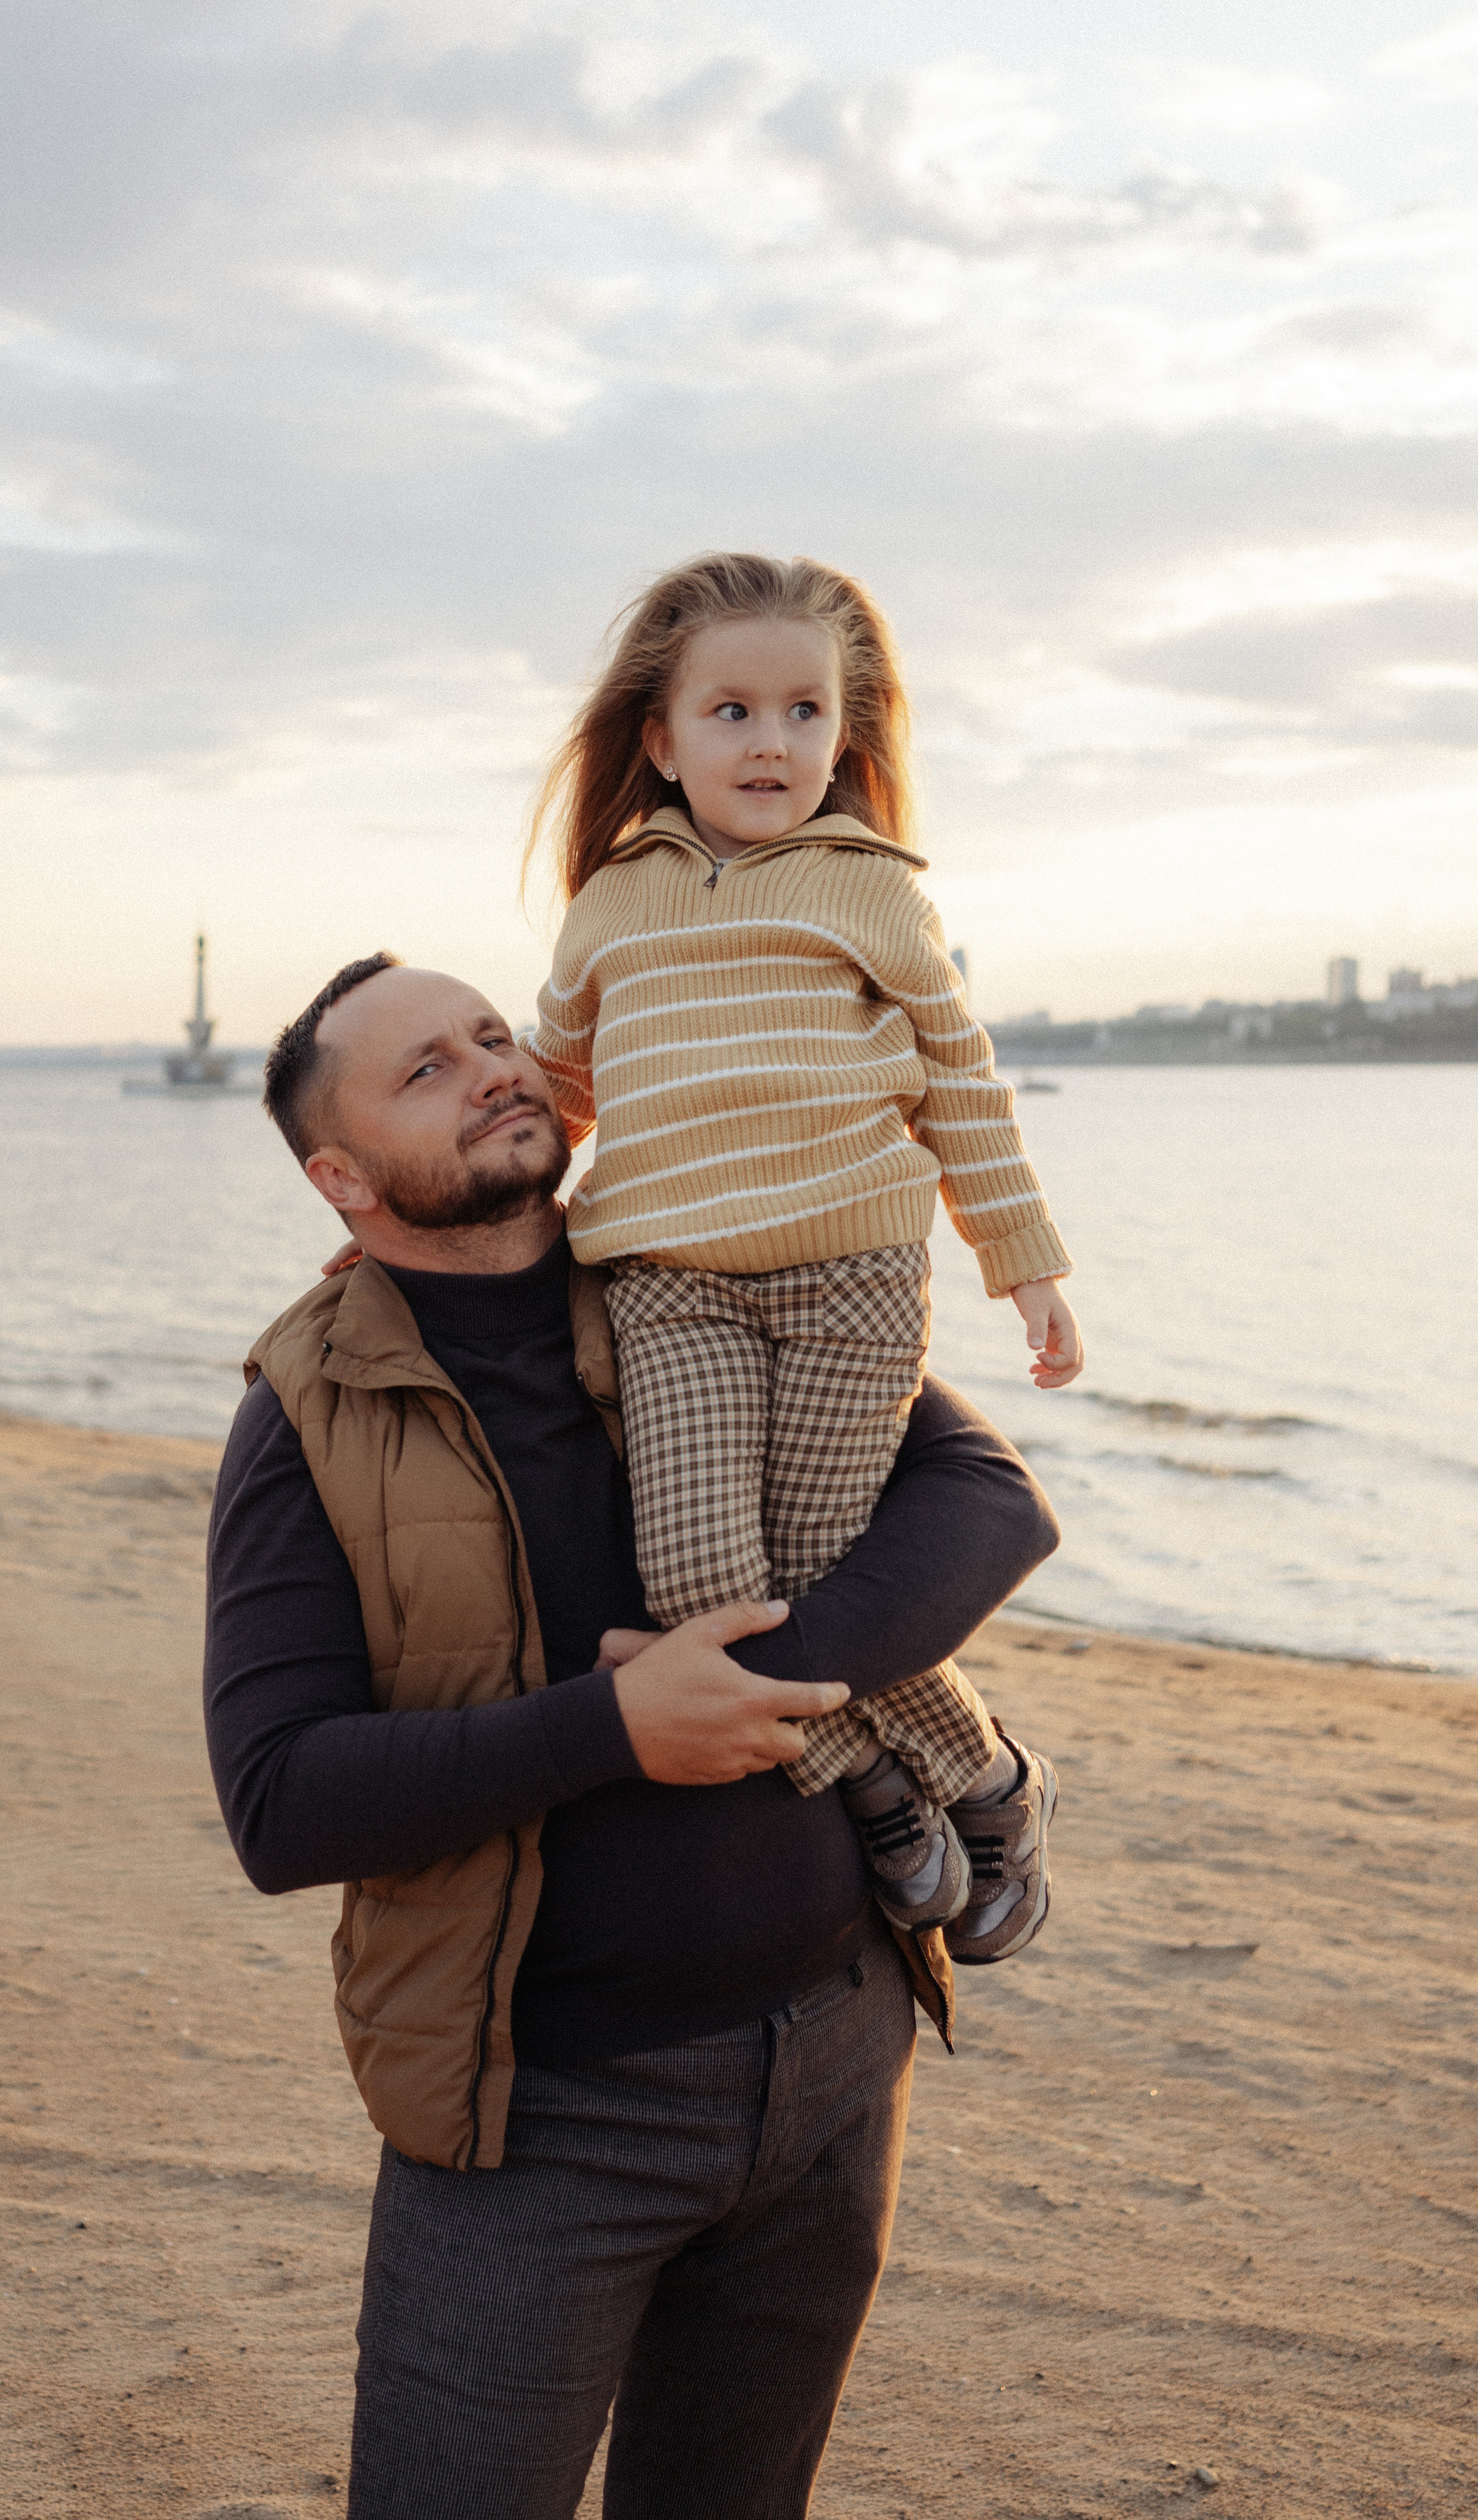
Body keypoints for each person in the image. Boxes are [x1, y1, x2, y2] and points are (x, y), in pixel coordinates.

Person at [203, 955, 1063, 2520]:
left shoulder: (692, 1263)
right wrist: (615, 1726)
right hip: (538, 2117)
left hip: (835, 2050)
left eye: (489, 1035)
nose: (487, 1069)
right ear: (340, 1180)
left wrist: (757, 1681)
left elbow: (988, 1502)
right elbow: (281, 1802)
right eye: (423, 1072)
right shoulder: (310, 1409)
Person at [523, 550, 1082, 1957]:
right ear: (661, 738)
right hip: (666, 1290)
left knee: (828, 1575)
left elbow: (961, 1082)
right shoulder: (607, 909)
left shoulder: (872, 893)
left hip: (850, 1281)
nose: (768, 741)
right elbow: (554, 1090)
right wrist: (423, 1222)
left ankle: (969, 1791)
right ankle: (919, 1777)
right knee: (703, 1580)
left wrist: (1023, 1263)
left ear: (843, 737)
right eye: (729, 713)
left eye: (801, 713)